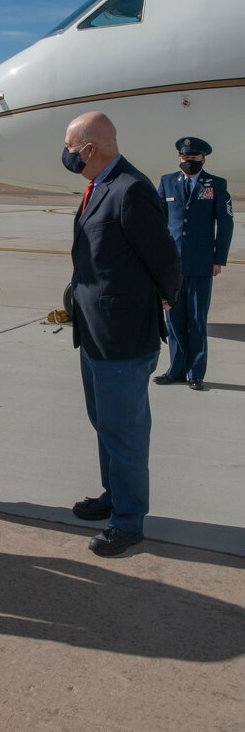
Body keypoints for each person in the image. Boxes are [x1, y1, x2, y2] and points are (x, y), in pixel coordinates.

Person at [63, 112, 182, 556]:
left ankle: (129, 521)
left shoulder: (131, 189)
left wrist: (166, 298)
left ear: (90, 150)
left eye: (71, 148)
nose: (68, 155)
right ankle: (114, 495)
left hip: (123, 334)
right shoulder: (101, 185)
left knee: (125, 430)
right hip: (93, 330)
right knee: (104, 423)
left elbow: (165, 256)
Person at [153, 136, 234, 390]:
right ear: (179, 158)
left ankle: (195, 373)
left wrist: (218, 258)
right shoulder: (167, 182)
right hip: (172, 266)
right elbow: (157, 222)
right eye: (184, 157)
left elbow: (226, 224)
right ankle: (176, 369)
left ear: (203, 158)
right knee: (173, 320)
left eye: (194, 157)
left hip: (201, 264)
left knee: (197, 319)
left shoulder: (216, 185)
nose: (188, 161)